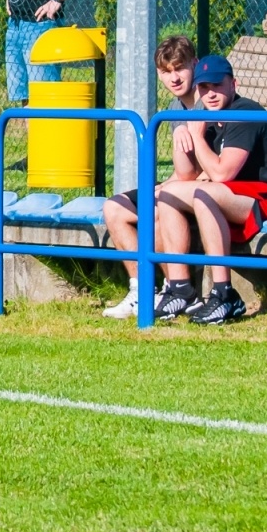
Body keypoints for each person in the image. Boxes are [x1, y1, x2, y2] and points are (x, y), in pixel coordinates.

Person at [151, 55, 267, 326]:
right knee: (169, 193)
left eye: (217, 86)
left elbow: (222, 173)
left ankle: (225, 294)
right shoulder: (209, 119)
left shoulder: (245, 111)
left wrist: (196, 136)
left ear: (233, 84)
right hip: (246, 193)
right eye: (203, 88)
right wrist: (181, 134)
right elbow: (187, 173)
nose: (210, 94)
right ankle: (180, 289)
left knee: (203, 194)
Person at [101, 35, 200, 319]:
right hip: (183, 182)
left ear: (194, 64)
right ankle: (140, 290)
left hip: (204, 189)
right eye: (166, 72)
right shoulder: (173, 109)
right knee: (114, 208)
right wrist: (165, 184)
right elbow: (185, 165)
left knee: (156, 210)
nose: (175, 78)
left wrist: (169, 187)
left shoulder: (208, 102)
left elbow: (206, 168)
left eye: (180, 68)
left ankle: (178, 290)